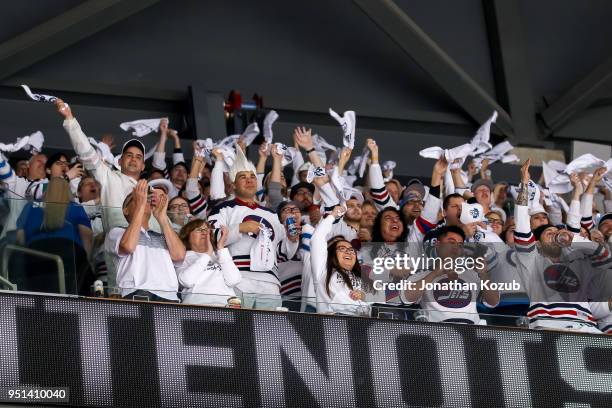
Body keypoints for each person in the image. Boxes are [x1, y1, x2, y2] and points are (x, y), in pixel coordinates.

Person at [513, 159, 611, 333]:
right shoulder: (531, 261)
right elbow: (521, 226)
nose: (554, 234)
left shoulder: (577, 261)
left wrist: (573, 240)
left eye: (555, 232)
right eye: (548, 233)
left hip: (587, 328)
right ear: (537, 243)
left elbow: (603, 256)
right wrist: (524, 184)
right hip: (548, 326)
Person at [207, 145, 298, 309]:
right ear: (233, 185)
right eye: (243, 177)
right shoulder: (223, 209)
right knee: (239, 330)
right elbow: (212, 237)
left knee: (271, 331)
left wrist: (291, 240)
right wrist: (240, 228)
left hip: (270, 282)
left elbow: (282, 252)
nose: (249, 180)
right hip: (238, 278)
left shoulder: (271, 214)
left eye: (252, 177)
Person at [105, 180, 186, 302]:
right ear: (125, 210)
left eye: (146, 199)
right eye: (137, 199)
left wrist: (162, 217)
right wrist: (140, 206)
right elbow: (128, 246)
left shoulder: (163, 236)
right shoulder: (117, 232)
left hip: (169, 297)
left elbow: (179, 255)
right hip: (137, 295)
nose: (144, 200)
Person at [401, 225, 500, 324]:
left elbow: (493, 302)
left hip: (471, 332)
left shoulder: (473, 273)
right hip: (437, 333)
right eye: (451, 242)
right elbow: (406, 298)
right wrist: (435, 273)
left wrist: (483, 274)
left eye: (460, 245)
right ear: (438, 244)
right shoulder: (422, 273)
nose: (455, 247)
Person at [16, 177, 93, 294]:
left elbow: (20, 237)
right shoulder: (75, 207)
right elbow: (87, 238)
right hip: (69, 257)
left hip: (34, 257)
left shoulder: (30, 207)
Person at [310, 205, 370, 315]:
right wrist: (332, 216)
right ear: (332, 254)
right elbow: (317, 238)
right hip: (332, 326)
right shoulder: (322, 270)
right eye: (342, 249)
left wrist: (364, 296)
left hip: (360, 326)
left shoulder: (362, 277)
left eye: (352, 250)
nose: (348, 252)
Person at [176, 219, 241, 305]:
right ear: (187, 236)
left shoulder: (221, 255)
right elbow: (186, 281)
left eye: (206, 230)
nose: (204, 233)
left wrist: (221, 248)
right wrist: (207, 255)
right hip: (196, 308)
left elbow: (234, 280)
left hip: (226, 307)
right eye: (199, 230)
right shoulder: (183, 257)